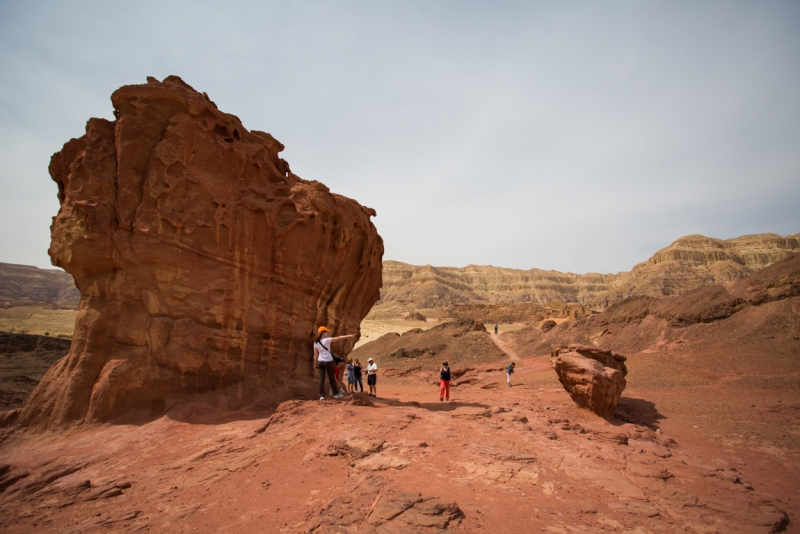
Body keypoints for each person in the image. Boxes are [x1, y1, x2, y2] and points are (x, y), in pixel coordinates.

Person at [313, 326, 355, 400]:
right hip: (328, 361)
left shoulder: (315, 342)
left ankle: (321, 395)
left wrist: (315, 364)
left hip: (320, 362)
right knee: (332, 378)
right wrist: (348, 336)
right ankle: (335, 394)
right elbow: (338, 338)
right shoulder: (327, 340)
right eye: (326, 332)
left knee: (321, 379)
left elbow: (315, 355)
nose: (327, 333)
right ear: (323, 333)